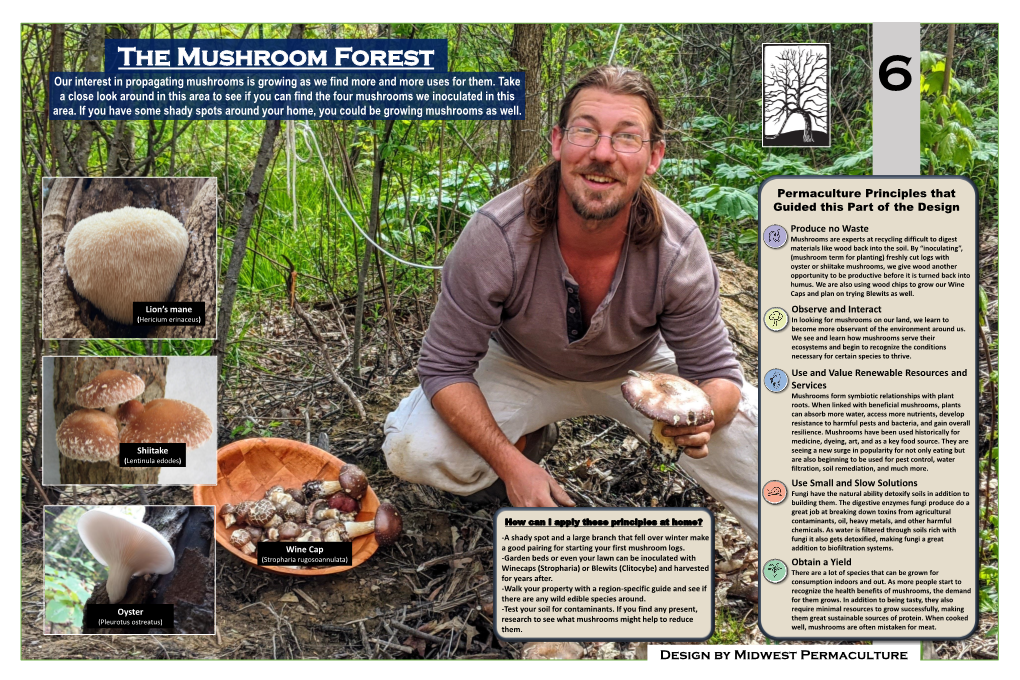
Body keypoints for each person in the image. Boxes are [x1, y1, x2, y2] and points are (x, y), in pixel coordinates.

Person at [383, 65, 758, 543]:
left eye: (627, 138)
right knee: (416, 449)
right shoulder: (497, 234)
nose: (602, 154)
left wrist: (705, 418)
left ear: (654, 156)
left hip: (641, 369)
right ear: (559, 142)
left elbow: (717, 373)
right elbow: (443, 366)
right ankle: (526, 443)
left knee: (767, 455)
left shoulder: (677, 246)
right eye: (586, 130)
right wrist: (510, 463)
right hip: (520, 362)